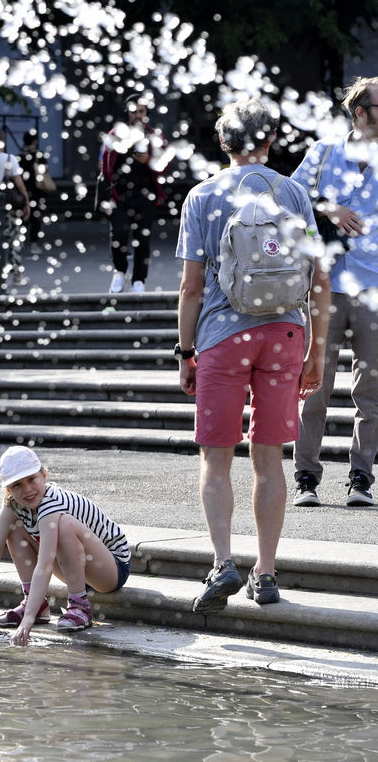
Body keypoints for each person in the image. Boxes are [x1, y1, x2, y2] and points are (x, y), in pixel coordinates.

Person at [176, 97, 330, 613]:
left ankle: (223, 563)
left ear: (223, 142)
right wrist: (317, 350)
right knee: (268, 457)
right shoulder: (293, 193)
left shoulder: (202, 196)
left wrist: (186, 352)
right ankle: (265, 573)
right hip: (285, 334)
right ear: (270, 140)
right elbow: (318, 279)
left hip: (223, 337)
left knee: (215, 458)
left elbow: (191, 288)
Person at [291, 76, 378, 508]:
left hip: (374, 288)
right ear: (361, 112)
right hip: (324, 286)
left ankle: (361, 477)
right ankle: (306, 476)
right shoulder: (324, 151)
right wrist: (328, 207)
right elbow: (290, 196)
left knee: (371, 389)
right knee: (314, 385)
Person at [0, 446, 131, 645]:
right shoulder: (13, 505)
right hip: (77, 567)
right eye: (17, 484)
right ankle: (36, 604)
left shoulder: (51, 503)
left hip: (111, 569)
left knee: (64, 524)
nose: (27, 489)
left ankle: (80, 605)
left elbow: (44, 566)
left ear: (43, 475)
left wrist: (27, 621)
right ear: (8, 489)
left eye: (31, 479)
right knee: (15, 526)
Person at [98, 96, 169, 293]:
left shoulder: (154, 135)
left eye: (141, 111)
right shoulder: (117, 134)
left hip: (146, 197)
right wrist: (109, 191)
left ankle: (139, 280)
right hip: (120, 196)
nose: (137, 115)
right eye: (133, 111)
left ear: (147, 113)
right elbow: (106, 166)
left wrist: (148, 160)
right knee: (118, 235)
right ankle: (120, 271)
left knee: (142, 240)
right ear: (127, 113)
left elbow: (164, 167)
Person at [0, 131, 32, 287]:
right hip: (10, 204)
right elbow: (19, 183)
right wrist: (26, 201)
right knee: (14, 239)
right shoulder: (10, 159)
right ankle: (17, 275)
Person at [20, 130, 48, 256]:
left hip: (24, 190)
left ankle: (19, 243)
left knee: (24, 216)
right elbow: (45, 168)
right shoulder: (39, 154)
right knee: (36, 217)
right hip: (37, 189)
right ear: (35, 141)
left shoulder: (20, 155)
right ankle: (34, 245)